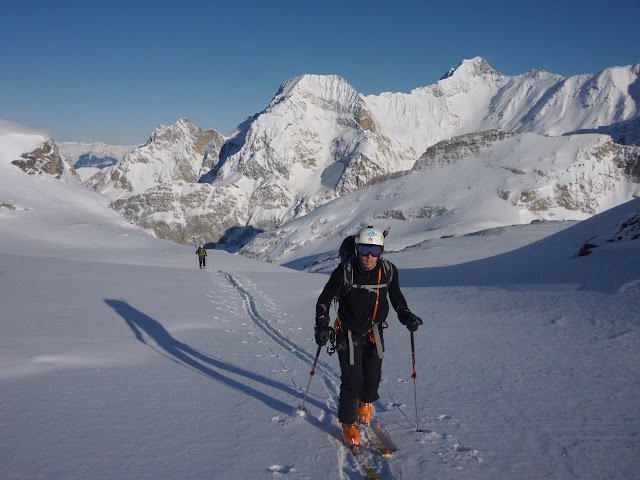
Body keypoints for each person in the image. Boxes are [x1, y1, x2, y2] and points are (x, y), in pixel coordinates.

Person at [315, 226, 422, 446]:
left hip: (374, 333)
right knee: (352, 380)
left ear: (381, 250)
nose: (369, 257)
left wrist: (407, 315)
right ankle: (348, 423)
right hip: (347, 333)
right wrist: (322, 325)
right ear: (357, 249)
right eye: (364, 250)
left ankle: (365, 401)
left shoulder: (389, 271)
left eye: (375, 250)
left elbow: (397, 299)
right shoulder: (344, 272)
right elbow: (324, 301)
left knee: (372, 377)